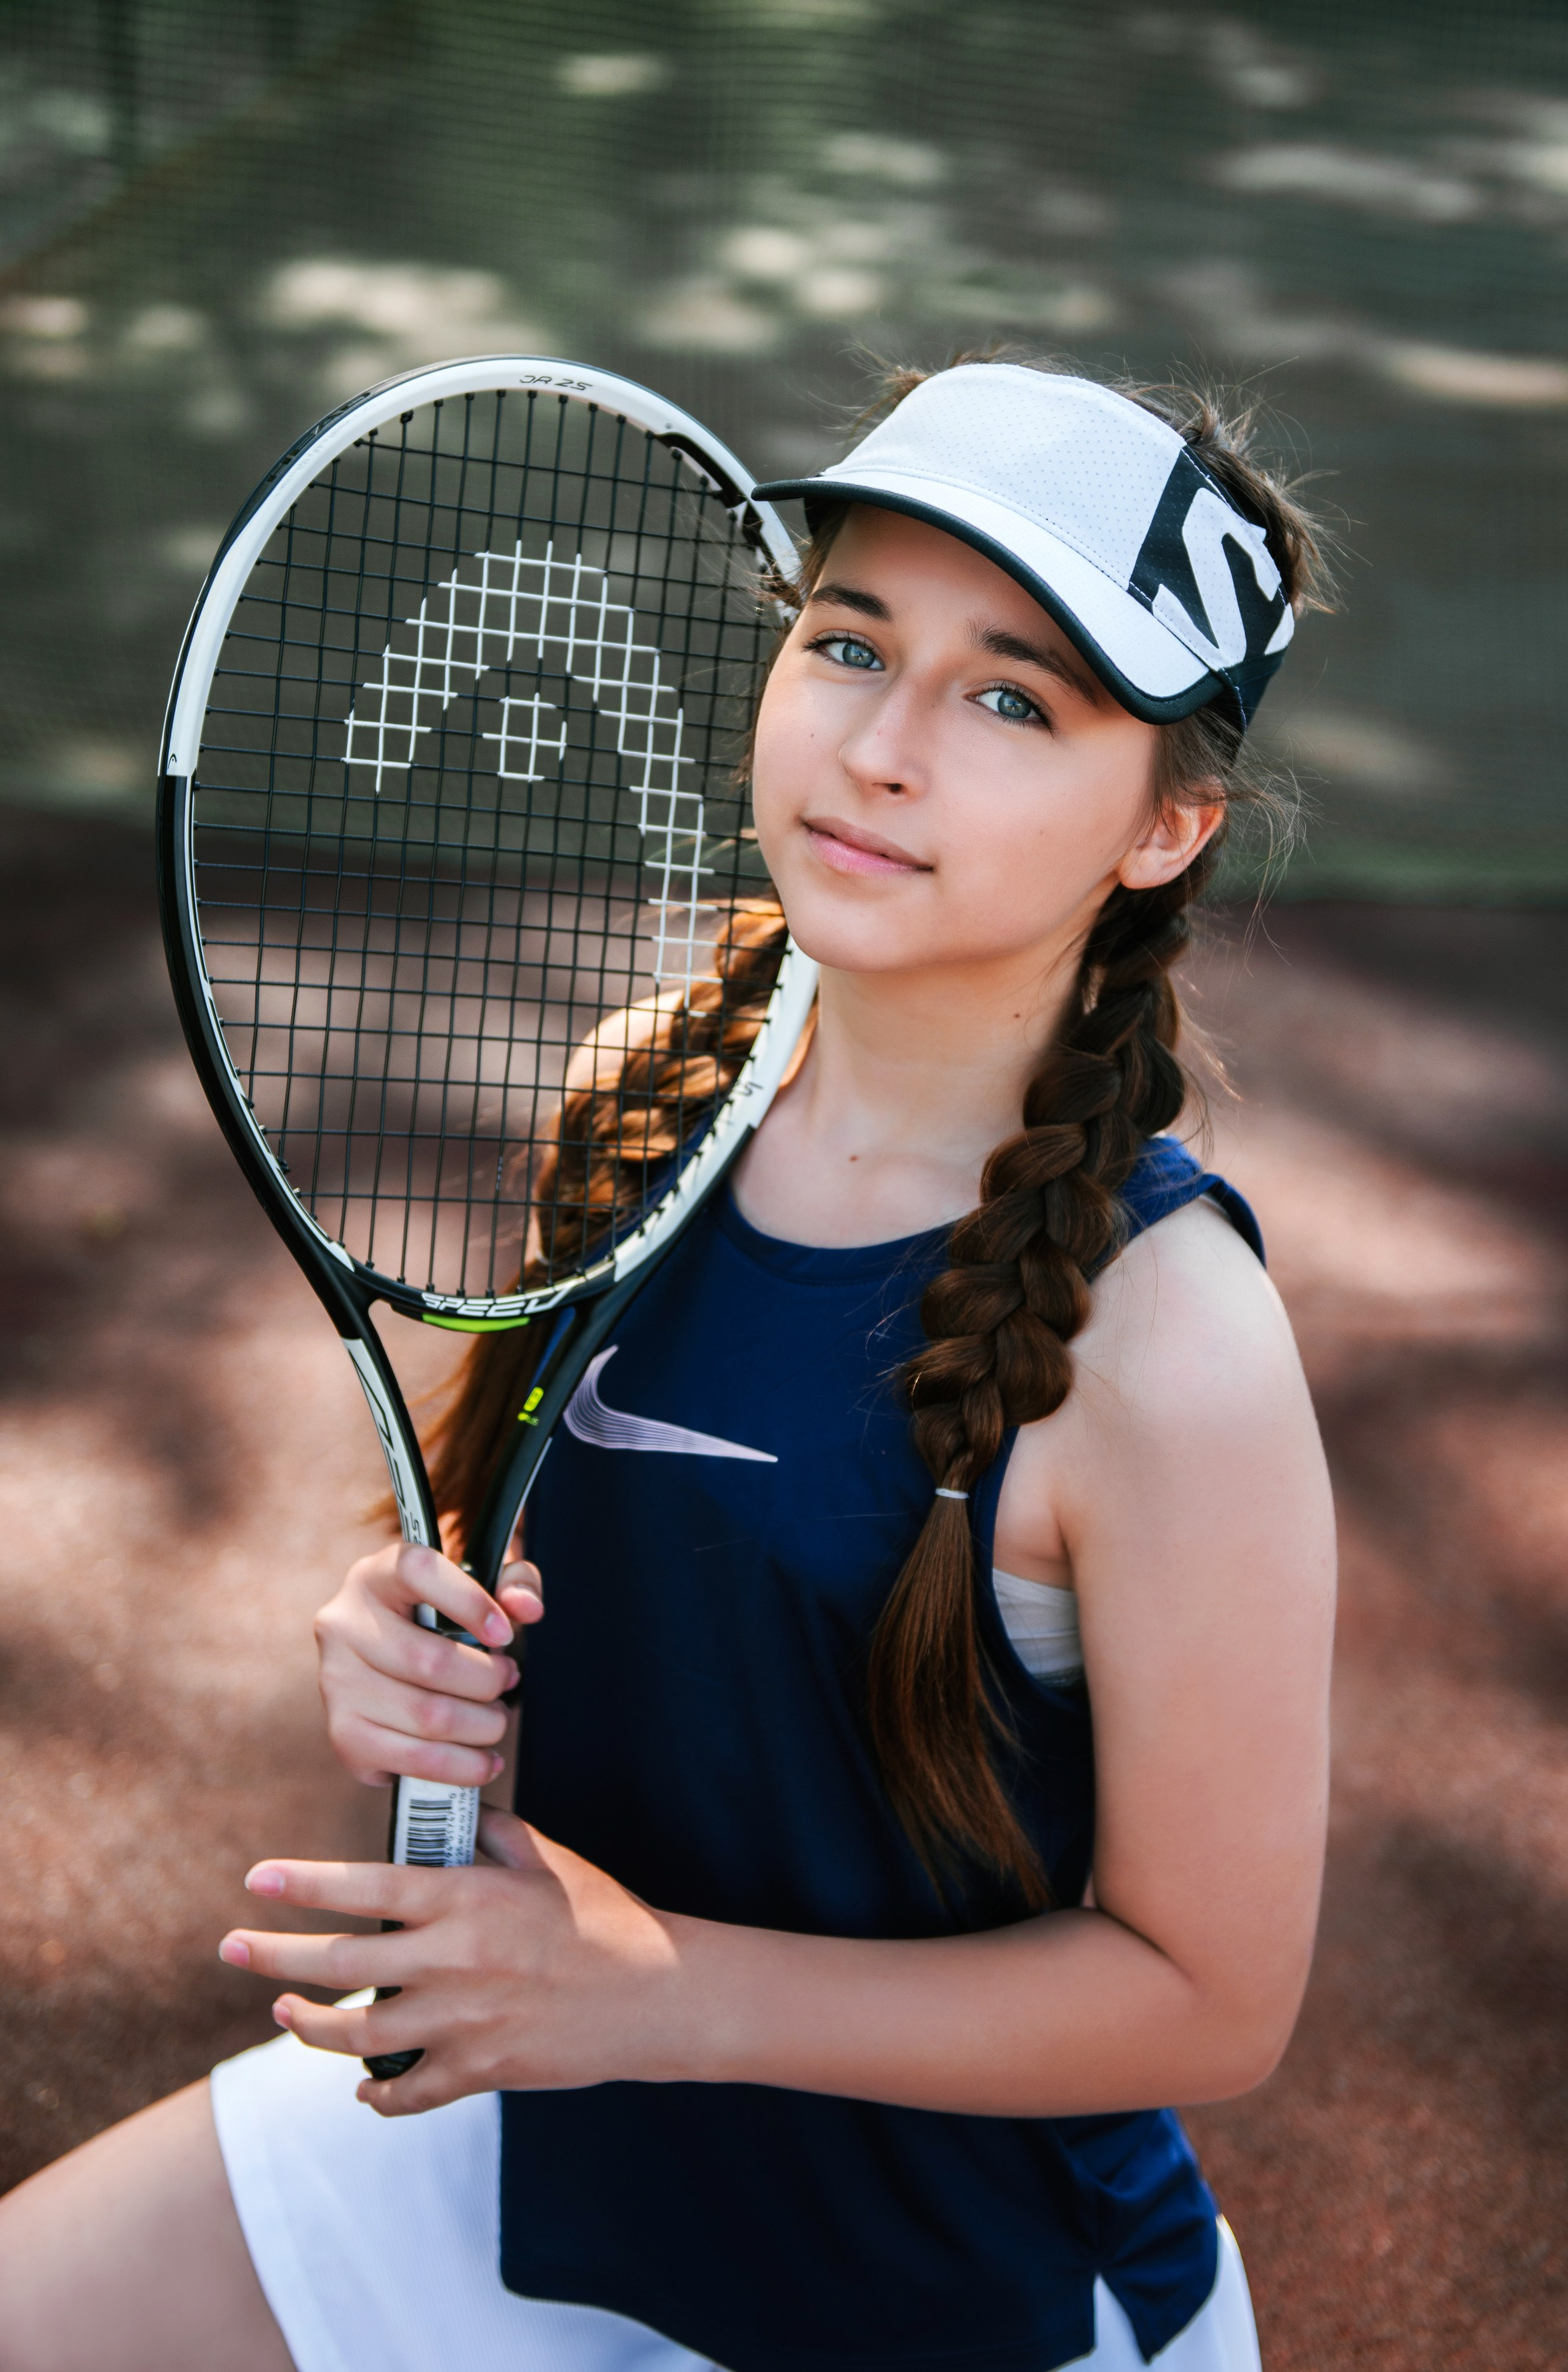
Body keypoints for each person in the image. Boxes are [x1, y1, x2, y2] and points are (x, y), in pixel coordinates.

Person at [0, 358, 1336, 2372]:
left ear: (1166, 826)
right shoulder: (644, 1100)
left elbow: (1209, 1999)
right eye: (846, 639)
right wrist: (410, 1661)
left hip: (946, 2288)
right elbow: (566, 1697)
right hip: (531, 2147)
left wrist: (648, 1990)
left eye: (1007, 697)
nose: (880, 746)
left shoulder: (1172, 1343)